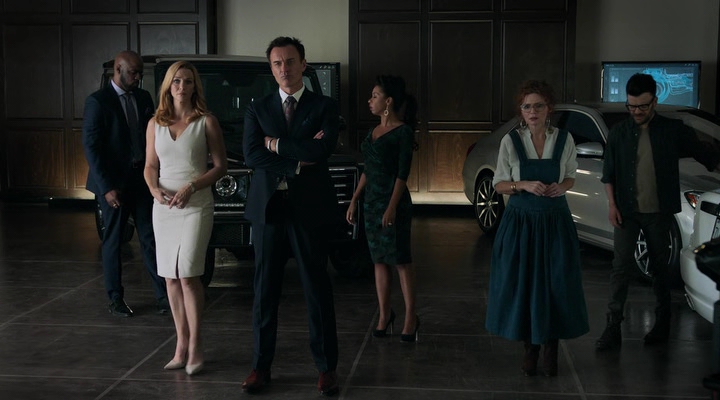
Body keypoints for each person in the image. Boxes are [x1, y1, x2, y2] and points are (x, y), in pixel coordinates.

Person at [240, 36, 341, 396]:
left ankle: (327, 368)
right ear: (271, 69)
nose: (284, 68)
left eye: (290, 61)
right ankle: (260, 366)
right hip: (268, 209)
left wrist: (276, 144)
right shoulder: (258, 108)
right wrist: (296, 161)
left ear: (303, 64)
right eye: (277, 63)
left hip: (309, 209)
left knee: (316, 288)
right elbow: (251, 155)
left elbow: (322, 149)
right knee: (264, 291)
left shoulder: (324, 106)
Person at [595, 73, 720, 351]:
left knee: (660, 269)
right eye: (631, 106)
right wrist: (612, 205)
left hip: (659, 212)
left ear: (655, 101)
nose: (636, 112)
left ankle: (663, 323)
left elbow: (706, 155)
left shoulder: (672, 130)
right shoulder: (619, 133)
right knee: (620, 267)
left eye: (642, 106)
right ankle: (613, 326)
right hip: (626, 210)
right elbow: (609, 174)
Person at [484, 80, 589, 377]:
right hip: (521, 223)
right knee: (525, 284)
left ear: (548, 109)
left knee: (556, 284)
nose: (532, 112)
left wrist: (562, 186)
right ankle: (530, 348)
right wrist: (523, 184)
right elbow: (499, 184)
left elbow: (571, 176)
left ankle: (551, 348)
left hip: (555, 221)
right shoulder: (511, 141)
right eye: (527, 106)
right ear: (521, 111)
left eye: (538, 106)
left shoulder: (564, 139)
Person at [143, 61, 227, 375]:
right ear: (168, 85)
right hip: (164, 207)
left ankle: (196, 345)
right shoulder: (155, 123)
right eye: (176, 81)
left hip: (196, 204)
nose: (181, 87)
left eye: (188, 82)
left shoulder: (206, 121)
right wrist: (153, 189)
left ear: (195, 87)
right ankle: (180, 343)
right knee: (170, 277)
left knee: (189, 275)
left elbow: (220, 167)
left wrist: (192, 186)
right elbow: (150, 165)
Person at [82, 50, 168, 317]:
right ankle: (115, 298)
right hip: (113, 183)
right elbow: (92, 148)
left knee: (150, 237)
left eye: (139, 72)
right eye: (133, 72)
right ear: (117, 69)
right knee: (114, 240)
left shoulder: (143, 97)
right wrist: (106, 188)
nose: (138, 77)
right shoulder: (98, 101)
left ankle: (163, 296)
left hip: (141, 179)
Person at [346, 75, 419, 342]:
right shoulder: (373, 132)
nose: (370, 100)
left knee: (400, 260)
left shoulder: (403, 132)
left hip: (394, 203)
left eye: (375, 96)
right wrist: (355, 199)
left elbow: (402, 174)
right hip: (371, 203)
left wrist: (391, 207)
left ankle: (410, 317)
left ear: (388, 102)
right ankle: (384, 314)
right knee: (378, 260)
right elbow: (369, 169)